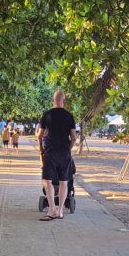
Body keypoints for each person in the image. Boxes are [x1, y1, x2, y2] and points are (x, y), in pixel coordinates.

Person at [36, 89, 77, 221]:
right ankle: (60, 212)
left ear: (53, 101)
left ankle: (52, 209)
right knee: (64, 182)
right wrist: (68, 148)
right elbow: (74, 137)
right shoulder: (69, 116)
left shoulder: (47, 115)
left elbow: (39, 135)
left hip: (50, 153)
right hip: (64, 153)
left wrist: (41, 149)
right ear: (63, 101)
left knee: (47, 181)